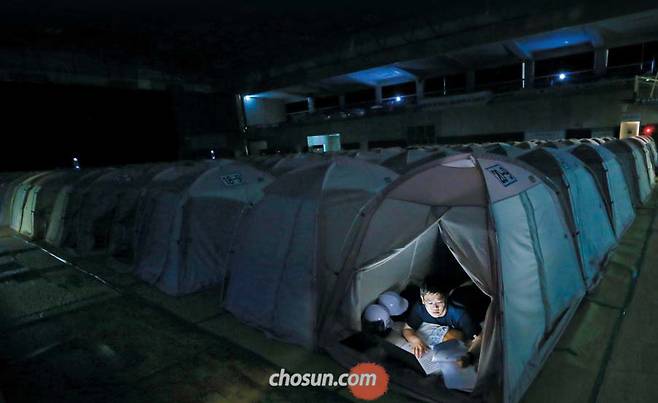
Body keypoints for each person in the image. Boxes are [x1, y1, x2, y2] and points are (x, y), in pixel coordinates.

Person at [402, 277, 482, 368]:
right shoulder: (420, 309)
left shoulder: (459, 314)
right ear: (423, 299)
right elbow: (407, 328)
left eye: (439, 302)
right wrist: (415, 340)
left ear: (446, 298)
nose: (435, 307)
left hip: (477, 303)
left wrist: (469, 356)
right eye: (430, 303)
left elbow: (479, 338)